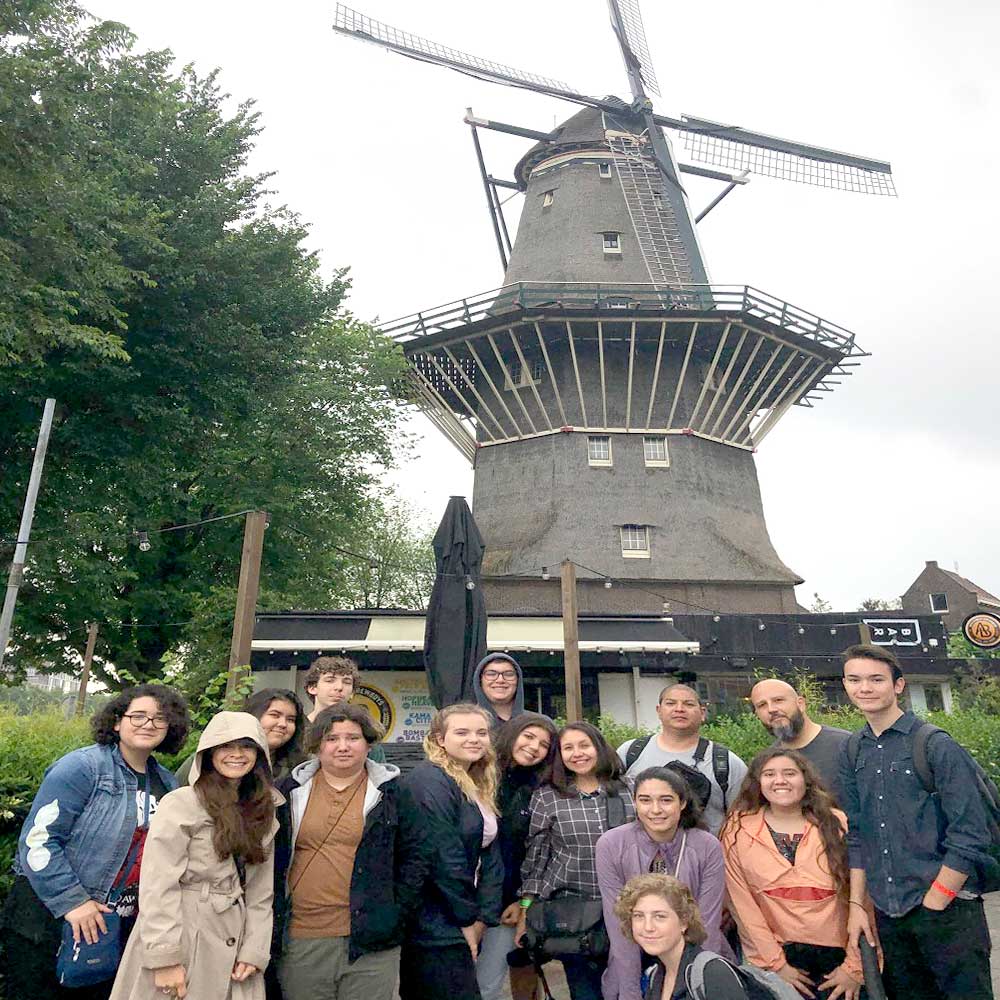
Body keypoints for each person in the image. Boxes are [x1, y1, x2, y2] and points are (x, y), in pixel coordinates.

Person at [3, 684, 189, 1000]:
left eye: (159, 718)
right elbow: (39, 840)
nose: (148, 724)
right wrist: (72, 901)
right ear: (117, 721)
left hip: (112, 928)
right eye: (138, 715)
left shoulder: (167, 784)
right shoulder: (83, 767)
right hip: (50, 920)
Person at [838, 643, 996, 1000]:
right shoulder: (852, 751)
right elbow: (858, 835)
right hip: (890, 913)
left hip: (948, 908)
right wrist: (857, 907)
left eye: (876, 679)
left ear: (898, 686)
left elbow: (971, 831)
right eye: (855, 679)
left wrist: (936, 901)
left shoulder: (934, 744)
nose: (865, 688)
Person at [109, 710, 281, 1000]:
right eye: (226, 746)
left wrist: (254, 949)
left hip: (235, 945)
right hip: (183, 934)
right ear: (209, 753)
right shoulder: (182, 803)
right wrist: (164, 958)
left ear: (259, 754)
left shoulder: (262, 808)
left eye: (247, 746)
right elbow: (158, 885)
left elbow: (261, 891)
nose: (236, 754)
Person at [271, 703, 426, 1000]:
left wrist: (396, 913)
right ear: (317, 746)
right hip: (303, 936)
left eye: (353, 738)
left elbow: (415, 858)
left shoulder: (397, 793)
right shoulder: (287, 791)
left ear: (368, 743)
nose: (342, 746)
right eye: (331, 738)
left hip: (371, 939)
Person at [721, 748, 869, 1000]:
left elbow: (863, 897)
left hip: (839, 959)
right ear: (758, 782)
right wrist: (775, 965)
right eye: (769, 774)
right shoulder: (737, 829)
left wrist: (855, 967)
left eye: (789, 773)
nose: (780, 780)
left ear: (805, 779)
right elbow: (741, 904)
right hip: (777, 958)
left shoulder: (838, 822)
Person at [519, 721, 636, 1000]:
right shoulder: (548, 797)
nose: (577, 753)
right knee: (585, 992)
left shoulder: (629, 789)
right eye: (567, 748)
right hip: (574, 914)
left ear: (599, 747)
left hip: (627, 910)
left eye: (584, 745)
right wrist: (526, 908)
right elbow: (536, 859)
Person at [597, 767, 732, 1000]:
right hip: (634, 951)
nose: (656, 810)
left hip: (691, 951)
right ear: (635, 803)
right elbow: (619, 924)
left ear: (682, 803)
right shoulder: (611, 845)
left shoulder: (707, 846)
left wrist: (700, 984)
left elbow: (706, 925)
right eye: (645, 800)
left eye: (666, 800)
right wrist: (630, 992)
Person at [399, 703, 504, 1000]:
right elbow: (444, 857)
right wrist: (467, 920)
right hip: (433, 925)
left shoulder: (476, 782)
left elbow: (489, 855)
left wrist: (484, 915)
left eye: (481, 732)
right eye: (462, 732)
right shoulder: (429, 781)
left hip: (460, 917)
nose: (474, 739)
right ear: (439, 739)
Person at [476, 712, 559, 1000]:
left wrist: (523, 902)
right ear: (512, 735)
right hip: (462, 900)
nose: (534, 747)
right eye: (529, 737)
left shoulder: (542, 790)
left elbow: (539, 856)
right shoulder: (477, 776)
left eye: (544, 744)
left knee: (486, 985)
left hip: (507, 904)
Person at [617, 684, 747, 834]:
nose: (679, 709)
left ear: (702, 712)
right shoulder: (630, 753)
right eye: (671, 703)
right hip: (639, 853)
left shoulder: (725, 762)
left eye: (688, 704)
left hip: (705, 854)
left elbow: (742, 819)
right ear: (659, 711)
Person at [613, 874, 750, 1000]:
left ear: (684, 921)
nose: (648, 927)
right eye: (638, 916)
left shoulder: (714, 973)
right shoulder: (655, 976)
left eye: (660, 916)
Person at [175, 688, 307, 785]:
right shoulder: (206, 758)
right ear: (254, 714)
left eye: (291, 719)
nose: (283, 724)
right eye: (274, 715)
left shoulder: (299, 768)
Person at [749, 678, 849, 804]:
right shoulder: (766, 762)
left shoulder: (845, 745)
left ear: (801, 704)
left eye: (778, 700)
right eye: (762, 705)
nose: (771, 709)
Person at [303, 656, 385, 762]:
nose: (339, 687)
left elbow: (379, 773)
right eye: (330, 680)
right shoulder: (295, 729)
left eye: (347, 682)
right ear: (312, 688)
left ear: (352, 693)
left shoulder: (365, 731)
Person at [473, 652, 526, 727]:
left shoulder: (536, 723)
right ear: (480, 680)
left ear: (518, 680)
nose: (500, 680)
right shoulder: (464, 722)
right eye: (491, 674)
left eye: (508, 674)